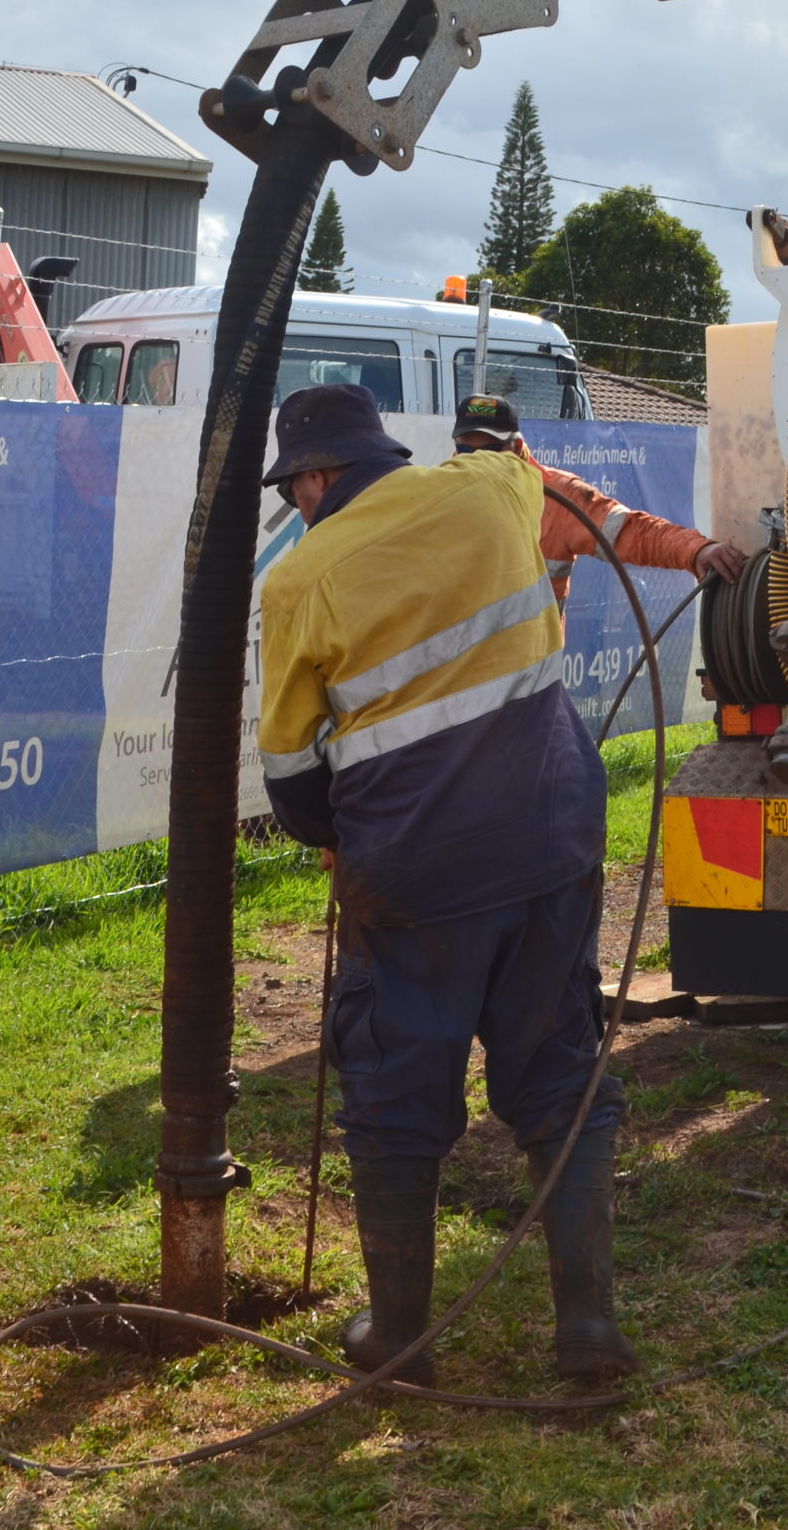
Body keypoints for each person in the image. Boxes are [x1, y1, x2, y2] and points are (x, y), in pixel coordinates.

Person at [257, 381, 635, 1385]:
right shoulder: (488, 491)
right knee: (559, 1063)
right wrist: (491, 432)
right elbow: (511, 458)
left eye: (294, 488)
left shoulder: (301, 579)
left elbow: (292, 781)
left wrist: (338, 838)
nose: (296, 505)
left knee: (393, 1087)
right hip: (552, 834)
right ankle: (588, 1328)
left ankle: (401, 1341)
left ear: (317, 476)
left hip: (418, 869)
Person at [449, 391, 748, 606]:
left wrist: (695, 551)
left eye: (489, 452)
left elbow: (632, 532)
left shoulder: (558, 497)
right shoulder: (442, 496)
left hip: (532, 677)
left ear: (516, 447)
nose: (477, 462)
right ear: (455, 445)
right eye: (466, 451)